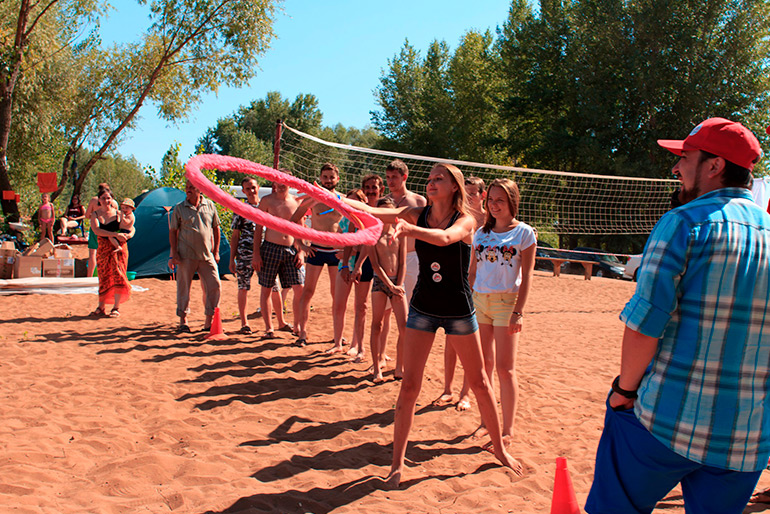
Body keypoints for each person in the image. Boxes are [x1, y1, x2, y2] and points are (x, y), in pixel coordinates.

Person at [585, 118, 770, 514]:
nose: (676, 167)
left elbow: (644, 326)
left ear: (714, 166)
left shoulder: (684, 222)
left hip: (667, 420)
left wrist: (624, 392)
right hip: (745, 437)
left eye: (685, 157)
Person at [346, 163, 523, 487]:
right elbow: (373, 211)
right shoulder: (416, 213)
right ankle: (396, 466)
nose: (431, 182)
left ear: (455, 186)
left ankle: (499, 449)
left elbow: (445, 238)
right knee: (409, 387)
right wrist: (332, 198)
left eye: (439, 178)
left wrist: (409, 230)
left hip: (458, 310)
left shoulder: (466, 220)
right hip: (423, 308)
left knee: (480, 383)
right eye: (429, 178)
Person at [467, 178, 535, 443]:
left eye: (500, 200)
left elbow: (527, 276)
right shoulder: (480, 233)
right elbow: (473, 271)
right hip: (479, 301)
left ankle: (507, 429)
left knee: (505, 369)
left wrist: (519, 312)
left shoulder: (524, 233)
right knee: (484, 367)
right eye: (491, 200)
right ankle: (486, 422)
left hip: (507, 303)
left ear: (512, 202)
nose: (494, 205)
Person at [434, 175, 487, 409]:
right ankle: (447, 389)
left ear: (483, 195)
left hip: (480, 286)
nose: (469, 197)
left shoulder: (489, 220)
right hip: (457, 282)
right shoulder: (457, 217)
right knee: (451, 339)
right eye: (467, 193)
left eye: (473, 193)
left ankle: (466, 394)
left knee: (471, 345)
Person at [290, 163, 344, 347]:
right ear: (320, 178)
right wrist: (300, 245)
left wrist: (347, 248)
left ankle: (338, 335)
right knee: (308, 291)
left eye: (331, 177)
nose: (328, 180)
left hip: (337, 251)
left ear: (337, 179)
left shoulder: (343, 199)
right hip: (316, 249)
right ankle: (302, 333)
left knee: (337, 294)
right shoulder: (313, 198)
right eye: (325, 177)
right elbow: (294, 219)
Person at [252, 171, 305, 340]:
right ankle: (269, 328)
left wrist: (301, 251)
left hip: (291, 249)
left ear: (290, 182)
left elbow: (301, 229)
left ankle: (297, 326)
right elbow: (258, 229)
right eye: (279, 181)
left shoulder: (296, 202)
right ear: (274, 182)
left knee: (299, 288)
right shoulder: (266, 201)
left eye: (285, 181)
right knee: (266, 288)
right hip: (270, 248)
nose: (282, 185)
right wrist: (256, 253)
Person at [169, 179, 221, 333]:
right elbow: (173, 231)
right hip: (186, 255)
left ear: (200, 189)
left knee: (214, 285)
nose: (188, 190)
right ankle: (183, 321)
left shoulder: (210, 206)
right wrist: (174, 253)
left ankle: (208, 322)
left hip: (207, 255)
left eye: (192, 187)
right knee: (184, 287)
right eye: (187, 187)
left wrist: (216, 251)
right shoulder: (179, 208)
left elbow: (216, 229)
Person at [367, 196, 407, 382]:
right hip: (381, 282)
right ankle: (377, 368)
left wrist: (398, 285)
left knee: (404, 327)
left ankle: (400, 366)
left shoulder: (399, 233)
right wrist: (390, 285)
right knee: (377, 324)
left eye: (389, 212)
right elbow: (375, 264)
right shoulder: (373, 235)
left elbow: (403, 262)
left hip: (397, 282)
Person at [330, 188, 368, 356]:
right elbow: (335, 243)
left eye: (355, 201)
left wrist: (350, 251)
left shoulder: (366, 220)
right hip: (344, 266)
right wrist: (348, 251)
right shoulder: (344, 220)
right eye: (349, 202)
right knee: (339, 305)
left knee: (360, 307)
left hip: (362, 266)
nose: (351, 205)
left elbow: (365, 246)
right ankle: (337, 343)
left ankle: (355, 344)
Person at [383, 159, 427, 302]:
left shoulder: (419, 201)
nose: (390, 181)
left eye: (394, 177)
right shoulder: (383, 202)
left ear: (404, 177)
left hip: (412, 257)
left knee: (411, 302)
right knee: (386, 307)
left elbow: (425, 231)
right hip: (389, 257)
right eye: (388, 177)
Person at [89, 188, 133, 317]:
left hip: (119, 248)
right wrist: (114, 234)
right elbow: (96, 230)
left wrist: (129, 235)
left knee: (118, 274)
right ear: (99, 200)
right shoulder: (95, 214)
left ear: (112, 199)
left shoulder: (119, 214)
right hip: (103, 248)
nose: (106, 200)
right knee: (103, 275)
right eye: (103, 198)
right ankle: (101, 306)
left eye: (108, 198)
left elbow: (131, 227)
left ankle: (116, 307)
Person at [229, 177, 261, 334]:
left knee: (272, 286)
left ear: (258, 187)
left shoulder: (266, 206)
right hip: (245, 252)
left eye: (253, 187)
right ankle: (244, 323)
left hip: (265, 251)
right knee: (243, 287)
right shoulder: (240, 209)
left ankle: (275, 323)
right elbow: (235, 235)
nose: (251, 191)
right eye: (247, 189)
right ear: (243, 191)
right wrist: (232, 259)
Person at [85, 183, 118, 278]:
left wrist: (95, 216)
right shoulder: (114, 202)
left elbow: (87, 215)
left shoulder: (94, 200)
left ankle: (89, 276)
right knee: (109, 252)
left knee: (92, 254)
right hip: (109, 229)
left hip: (96, 227)